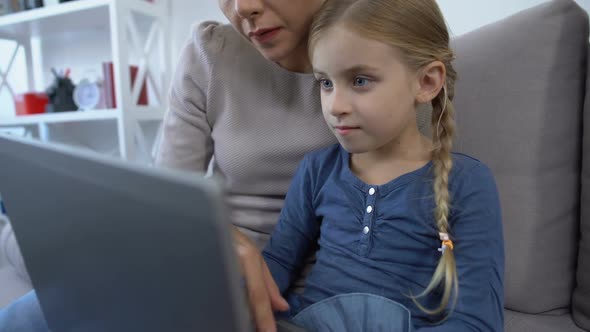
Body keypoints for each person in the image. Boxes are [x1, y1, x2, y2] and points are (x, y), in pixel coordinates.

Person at [0, 0, 431, 331]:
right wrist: (215, 240)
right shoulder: (212, 51)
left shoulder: (389, 47)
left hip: (299, 296)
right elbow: (165, 195)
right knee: (55, 294)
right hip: (204, 260)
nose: (243, 8)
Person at [260, 0, 505, 331]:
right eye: (326, 83)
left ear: (427, 82)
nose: (335, 106)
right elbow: (277, 261)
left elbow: (477, 321)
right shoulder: (317, 169)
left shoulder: (468, 181)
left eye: (360, 81)